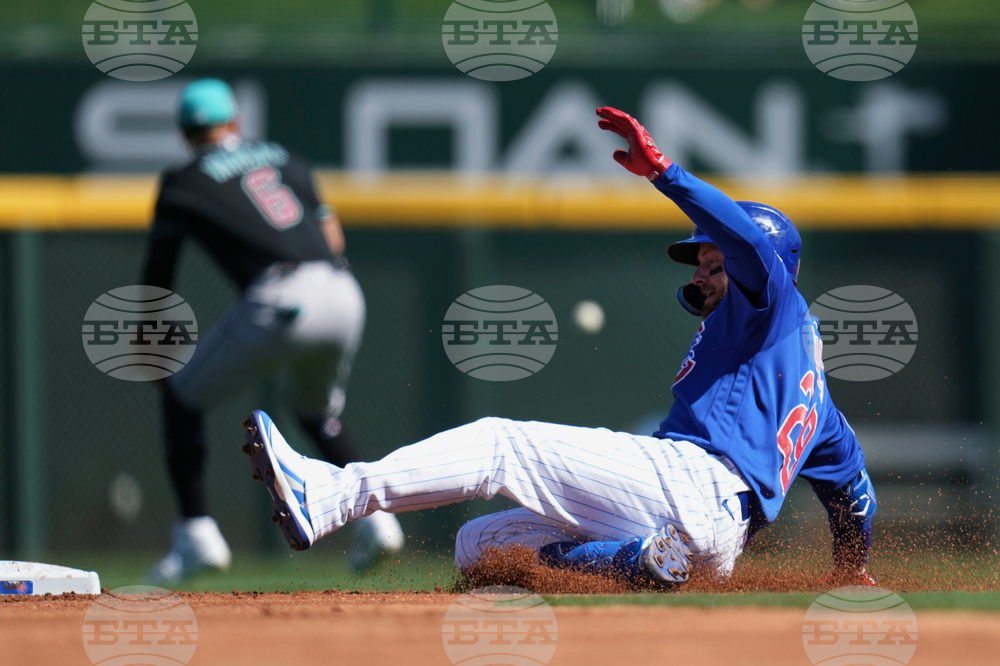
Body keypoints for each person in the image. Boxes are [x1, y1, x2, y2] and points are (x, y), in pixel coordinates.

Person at [240, 106, 877, 587]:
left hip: (693, 486)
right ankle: (636, 564)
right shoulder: (811, 392)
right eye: (700, 259)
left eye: (713, 259)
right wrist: (851, 574)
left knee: (499, 443)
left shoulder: (770, 299)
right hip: (708, 542)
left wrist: (665, 172)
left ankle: (331, 497)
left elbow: (748, 245)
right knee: (481, 545)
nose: (702, 271)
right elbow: (853, 491)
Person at [142, 78, 404, 584]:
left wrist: (149, 343)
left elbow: (159, 275)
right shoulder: (283, 157)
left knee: (180, 397)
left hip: (283, 296)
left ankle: (197, 535)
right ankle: (378, 522)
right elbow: (332, 235)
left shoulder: (181, 181)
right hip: (343, 289)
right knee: (318, 413)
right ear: (235, 123)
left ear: (184, 133)